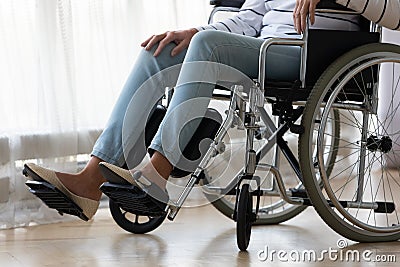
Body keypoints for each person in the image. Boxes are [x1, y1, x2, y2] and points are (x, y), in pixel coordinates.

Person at [23, 0, 361, 220]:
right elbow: (251, 18)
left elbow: (386, 9)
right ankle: (91, 178)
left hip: (309, 51)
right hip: (264, 48)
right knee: (161, 50)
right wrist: (197, 32)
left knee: (206, 46)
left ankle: (157, 173)